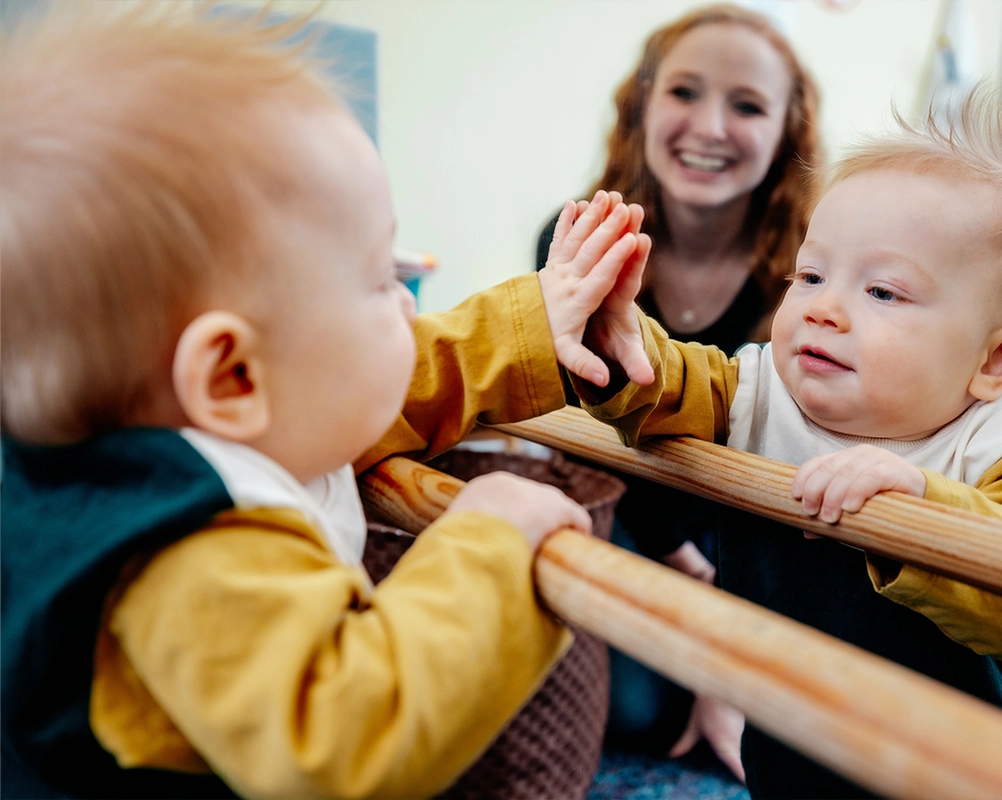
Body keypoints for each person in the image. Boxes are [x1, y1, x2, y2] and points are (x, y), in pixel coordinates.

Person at [0, 5, 652, 798]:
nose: (410, 307)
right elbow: (347, 736)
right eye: (382, 280)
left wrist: (533, 325)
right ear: (233, 376)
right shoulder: (193, 553)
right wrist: (489, 542)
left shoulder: (229, 421)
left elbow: (391, 381)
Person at [561, 86, 1002, 798]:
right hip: (794, 727)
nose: (823, 308)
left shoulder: (1000, 442)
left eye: (883, 293)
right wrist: (619, 340)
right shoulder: (759, 390)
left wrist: (926, 507)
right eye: (812, 274)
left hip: (959, 763)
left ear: (996, 361)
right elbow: (666, 385)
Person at [535, 3, 820, 776]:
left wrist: (733, 637)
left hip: (766, 535)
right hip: (632, 515)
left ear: (788, 131)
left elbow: (806, 464)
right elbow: (587, 440)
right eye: (686, 92)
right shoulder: (576, 240)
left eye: (749, 105)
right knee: (637, 713)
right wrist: (678, 561)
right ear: (644, 106)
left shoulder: (817, 270)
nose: (711, 126)